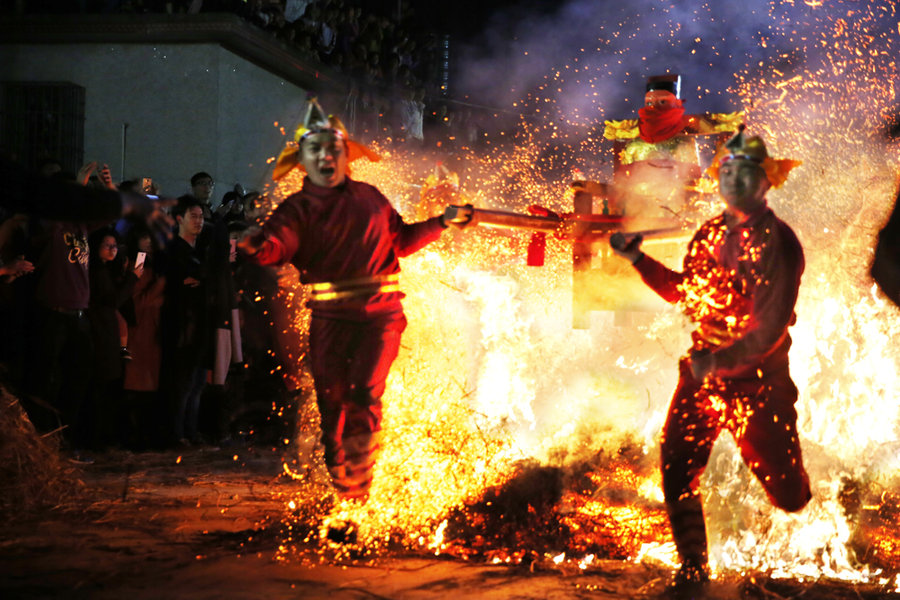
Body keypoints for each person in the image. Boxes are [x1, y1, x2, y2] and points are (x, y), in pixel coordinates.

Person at [239, 98, 473, 501]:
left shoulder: (371, 198)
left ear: (347, 156)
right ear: (303, 162)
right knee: (333, 408)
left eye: (333, 150)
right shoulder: (297, 209)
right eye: (315, 152)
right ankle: (344, 493)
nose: (326, 158)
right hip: (329, 319)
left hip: (381, 316)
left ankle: (359, 494)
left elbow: (400, 241)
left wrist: (440, 222)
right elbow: (280, 243)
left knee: (364, 393)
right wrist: (261, 246)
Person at [609, 127, 811, 593]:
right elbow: (686, 293)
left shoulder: (780, 244)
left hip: (757, 383)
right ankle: (694, 568)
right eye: (728, 172)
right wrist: (639, 259)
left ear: (766, 183)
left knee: (789, 496)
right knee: (676, 467)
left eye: (747, 174)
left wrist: (720, 362)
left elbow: (768, 330)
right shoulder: (708, 235)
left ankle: (796, 501)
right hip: (702, 374)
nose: (735, 181)